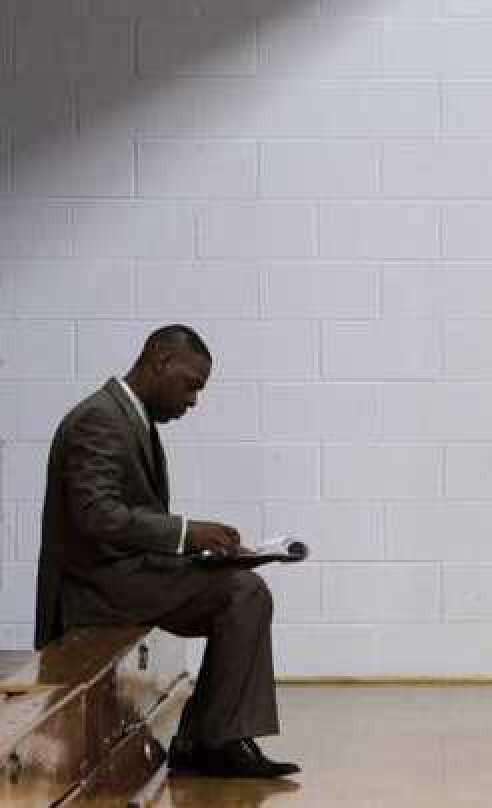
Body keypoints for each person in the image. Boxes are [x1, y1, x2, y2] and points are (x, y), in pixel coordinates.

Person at [34, 324, 300, 779]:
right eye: (191, 385)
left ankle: (207, 739)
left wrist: (197, 554)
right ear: (160, 360)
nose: (193, 400)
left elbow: (124, 522)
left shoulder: (129, 417)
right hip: (94, 588)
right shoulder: (99, 418)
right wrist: (184, 535)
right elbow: (95, 515)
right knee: (243, 593)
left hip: (123, 578)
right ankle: (210, 743)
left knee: (241, 591)